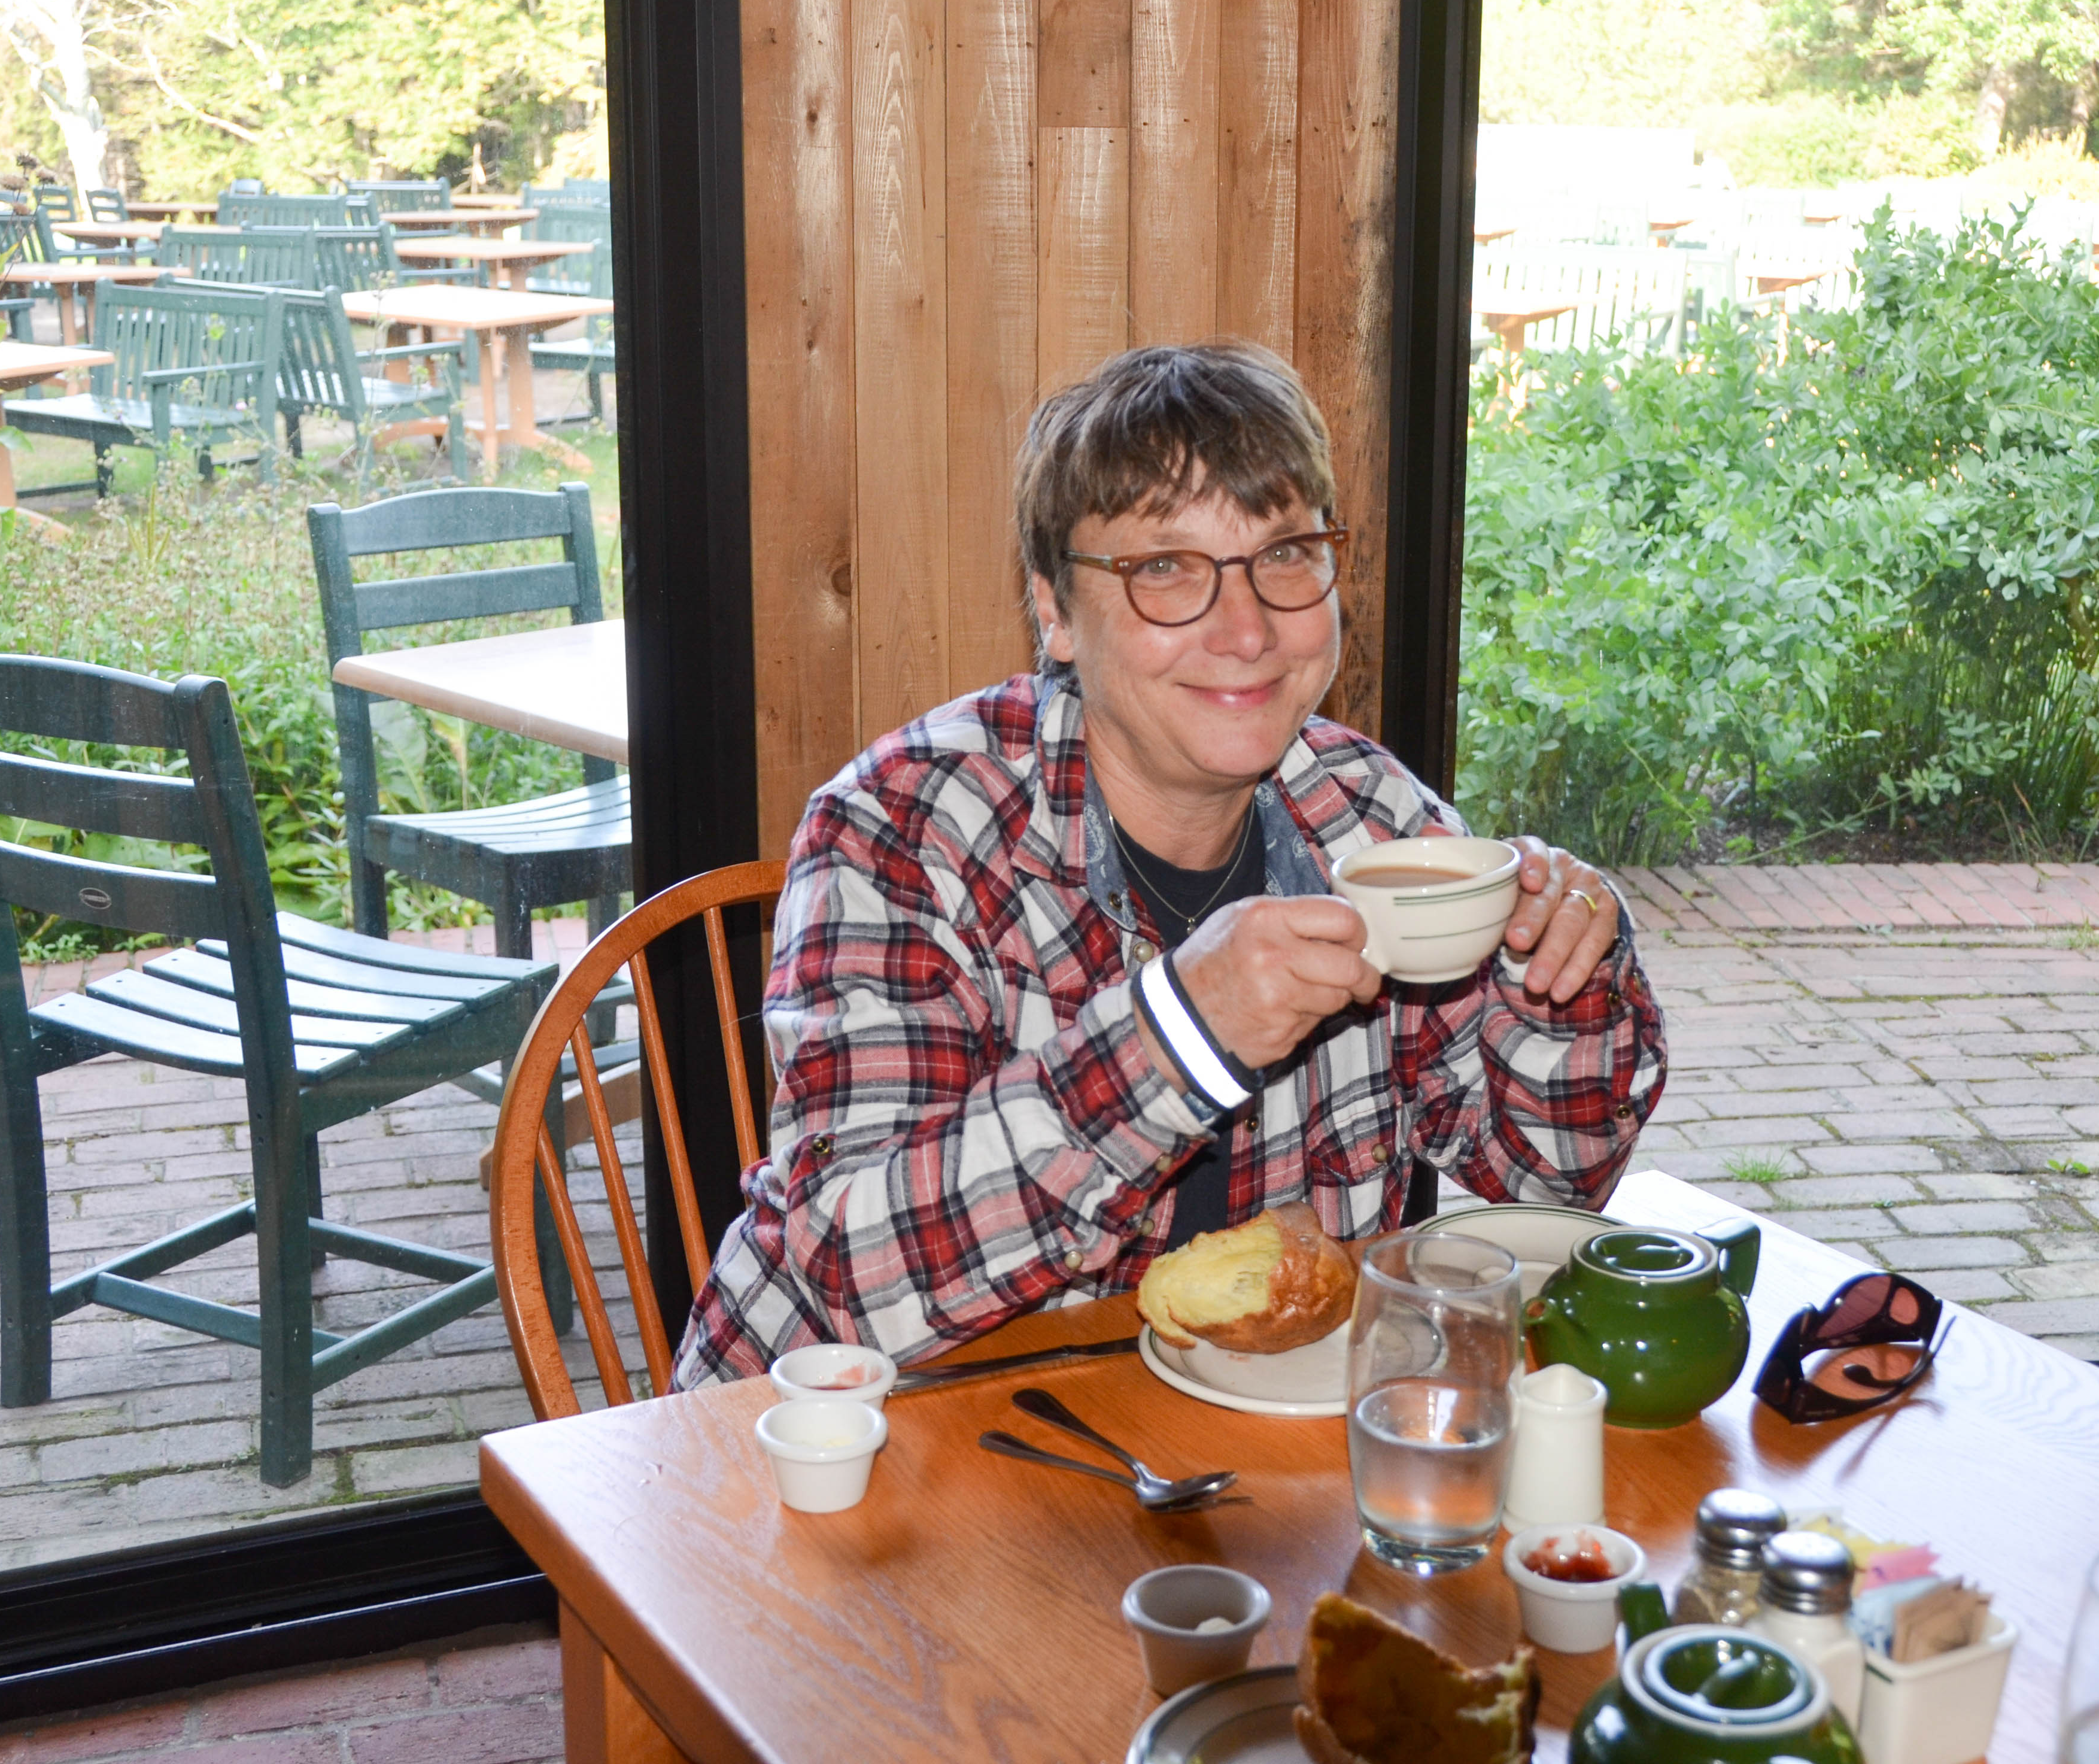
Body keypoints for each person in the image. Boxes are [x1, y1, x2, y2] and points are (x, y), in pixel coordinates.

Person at [672, 342, 1667, 1382]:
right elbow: (852, 1277)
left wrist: (1563, 975)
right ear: (1054, 613)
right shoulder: (905, 829)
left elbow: (1555, 1185)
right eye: (1165, 570)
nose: (1246, 631)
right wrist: (1184, 1036)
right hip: (827, 1461)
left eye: (1285, 554)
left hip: (1193, 1459)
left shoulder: (1372, 819)